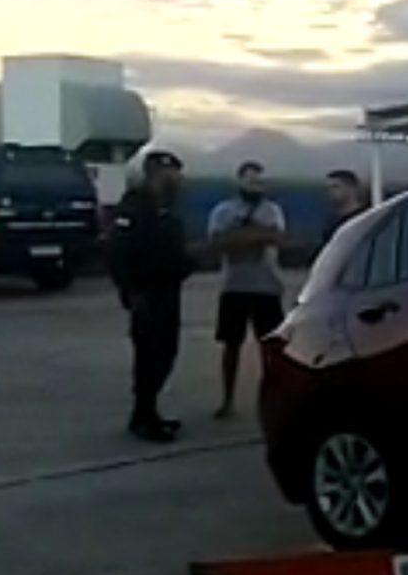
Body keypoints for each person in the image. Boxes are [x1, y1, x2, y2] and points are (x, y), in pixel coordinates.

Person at [110, 150, 194, 443]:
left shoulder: (168, 208)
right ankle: (142, 417)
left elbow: (172, 251)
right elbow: (118, 251)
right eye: (172, 173)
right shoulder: (134, 206)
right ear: (156, 173)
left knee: (166, 354)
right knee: (148, 356)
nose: (178, 179)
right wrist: (129, 291)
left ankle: (149, 412)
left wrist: (187, 264)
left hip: (168, 292)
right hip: (145, 294)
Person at [207, 160, 288, 420]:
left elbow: (276, 238)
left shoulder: (273, 209)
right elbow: (219, 242)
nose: (256, 186)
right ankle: (226, 400)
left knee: (271, 349)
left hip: (267, 287)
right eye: (251, 180)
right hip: (234, 287)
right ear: (239, 181)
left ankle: (274, 399)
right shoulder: (223, 210)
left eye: (260, 181)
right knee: (231, 346)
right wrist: (256, 235)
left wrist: (239, 236)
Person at [321, 168, 368, 249]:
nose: (330, 192)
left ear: (351, 188)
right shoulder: (332, 226)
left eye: (335, 187)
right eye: (327, 189)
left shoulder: (366, 219)